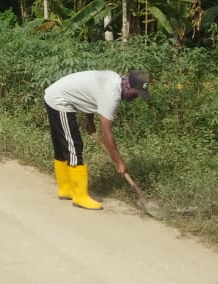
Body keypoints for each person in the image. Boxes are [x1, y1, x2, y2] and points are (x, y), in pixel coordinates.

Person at [42, 69, 151, 211]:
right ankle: (80, 197)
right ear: (129, 86)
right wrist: (119, 162)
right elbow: (107, 134)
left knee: (62, 145)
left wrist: (90, 122)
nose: (136, 97)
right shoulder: (111, 96)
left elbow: (90, 97)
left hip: (56, 95)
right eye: (136, 92)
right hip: (59, 101)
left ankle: (66, 189)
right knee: (73, 147)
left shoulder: (113, 79)